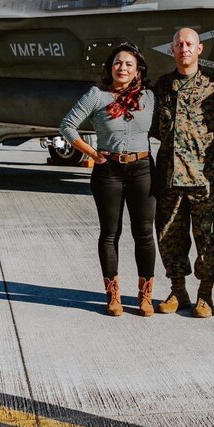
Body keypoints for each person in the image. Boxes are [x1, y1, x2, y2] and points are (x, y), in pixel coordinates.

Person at [60, 43, 156, 317]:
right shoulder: (97, 95)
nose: (122, 68)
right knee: (110, 233)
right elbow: (67, 125)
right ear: (110, 68)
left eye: (128, 64)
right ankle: (113, 295)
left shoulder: (149, 97)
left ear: (138, 70)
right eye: (117, 63)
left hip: (142, 169)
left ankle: (144, 295)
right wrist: (91, 152)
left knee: (144, 235)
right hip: (108, 171)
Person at [150, 27, 214, 318]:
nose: (184, 48)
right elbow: (155, 127)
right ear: (172, 50)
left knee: (208, 238)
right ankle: (177, 290)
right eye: (178, 44)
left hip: (205, 179)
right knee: (170, 236)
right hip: (169, 178)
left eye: (189, 43)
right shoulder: (162, 87)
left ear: (199, 49)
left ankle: (205, 295)